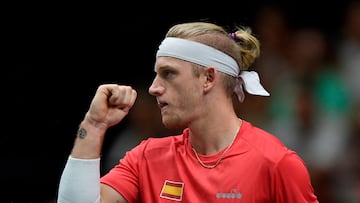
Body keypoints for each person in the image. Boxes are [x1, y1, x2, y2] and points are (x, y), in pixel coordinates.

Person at [57, 21, 319, 202]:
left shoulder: (276, 163)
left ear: (208, 78)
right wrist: (93, 125)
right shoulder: (146, 158)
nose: (153, 88)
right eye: (156, 75)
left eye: (168, 74)